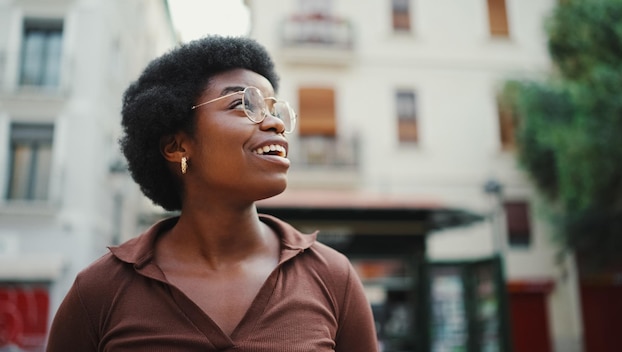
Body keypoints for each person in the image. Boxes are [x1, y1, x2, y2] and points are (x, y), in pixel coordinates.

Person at [46, 35, 378, 351]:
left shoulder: (332, 276)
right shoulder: (100, 290)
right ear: (177, 146)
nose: (275, 123)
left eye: (274, 110)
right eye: (242, 104)